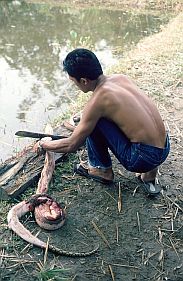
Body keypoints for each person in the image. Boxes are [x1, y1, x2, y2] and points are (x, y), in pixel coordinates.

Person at [33, 48, 170, 196]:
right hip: (164, 147)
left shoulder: (99, 100)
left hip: (142, 159)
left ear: (84, 81)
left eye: (74, 82)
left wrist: (44, 144)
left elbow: (72, 144)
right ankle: (149, 176)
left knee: (95, 122)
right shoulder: (121, 78)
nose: (75, 86)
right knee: (122, 122)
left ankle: (101, 170)